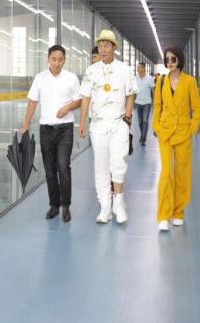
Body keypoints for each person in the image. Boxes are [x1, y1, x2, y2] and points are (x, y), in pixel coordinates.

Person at [78, 29, 137, 224]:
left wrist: (127, 118)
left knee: (118, 163)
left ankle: (118, 204)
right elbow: (85, 98)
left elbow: (131, 94)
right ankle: (105, 206)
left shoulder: (124, 69)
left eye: (106, 45)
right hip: (98, 125)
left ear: (114, 48)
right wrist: (82, 122)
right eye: (100, 45)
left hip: (119, 123)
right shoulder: (91, 71)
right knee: (101, 166)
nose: (102, 49)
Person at [21, 44, 81, 222]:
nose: (57, 63)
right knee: (49, 170)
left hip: (65, 129)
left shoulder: (71, 78)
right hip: (46, 130)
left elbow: (79, 100)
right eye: (54, 59)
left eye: (60, 60)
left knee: (63, 166)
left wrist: (67, 108)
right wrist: (25, 125)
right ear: (48, 59)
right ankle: (54, 205)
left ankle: (66, 206)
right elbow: (32, 102)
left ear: (64, 60)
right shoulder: (40, 78)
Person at [153, 47, 200, 232]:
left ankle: (178, 212)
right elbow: (157, 105)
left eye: (173, 59)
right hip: (165, 132)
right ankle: (164, 215)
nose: (170, 62)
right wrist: (156, 126)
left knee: (182, 173)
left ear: (180, 60)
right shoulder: (161, 81)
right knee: (166, 173)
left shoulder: (190, 81)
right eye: (167, 59)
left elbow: (196, 108)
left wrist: (192, 129)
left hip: (182, 132)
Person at [134, 62, 154, 146]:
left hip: (147, 103)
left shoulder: (149, 79)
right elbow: (133, 91)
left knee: (145, 120)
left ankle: (143, 138)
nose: (137, 69)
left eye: (139, 67)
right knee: (140, 121)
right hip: (138, 102)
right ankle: (142, 134)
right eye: (137, 68)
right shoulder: (135, 78)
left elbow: (153, 90)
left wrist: (155, 101)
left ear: (143, 68)